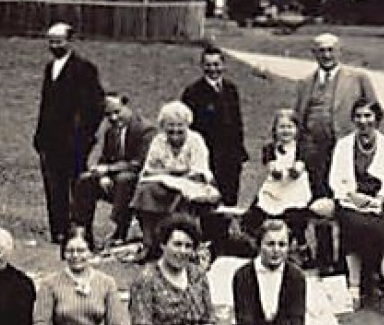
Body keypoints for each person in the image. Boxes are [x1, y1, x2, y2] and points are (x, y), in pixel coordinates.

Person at [292, 33, 381, 271]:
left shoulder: (358, 78)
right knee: (320, 203)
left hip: (346, 152)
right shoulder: (305, 83)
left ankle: (347, 260)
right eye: (321, 51)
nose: (326, 55)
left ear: (339, 51)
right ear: (314, 54)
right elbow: (298, 121)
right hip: (314, 154)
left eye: (331, 50)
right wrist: (299, 154)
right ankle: (324, 258)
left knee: (345, 201)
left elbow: (374, 113)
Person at [330, 102, 384, 325]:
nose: (363, 121)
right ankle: (354, 288)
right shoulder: (344, 146)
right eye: (358, 116)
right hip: (351, 201)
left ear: (377, 118)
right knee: (352, 227)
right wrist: (351, 195)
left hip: (380, 203)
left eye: (368, 116)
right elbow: (335, 179)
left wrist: (382, 199)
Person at [33, 22, 106, 244]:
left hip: (74, 142)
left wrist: (84, 136)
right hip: (50, 140)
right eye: (51, 41)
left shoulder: (84, 69)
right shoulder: (50, 68)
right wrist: (39, 136)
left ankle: (79, 230)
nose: (55, 45)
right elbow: (46, 105)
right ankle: (59, 230)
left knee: (78, 187)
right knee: (54, 187)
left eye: (59, 40)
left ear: (70, 41)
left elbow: (95, 106)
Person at [33, 227, 134, 325]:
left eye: (81, 251)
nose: (75, 256)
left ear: (91, 252)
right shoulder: (49, 284)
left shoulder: (106, 282)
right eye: (70, 251)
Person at [128, 100, 222, 254]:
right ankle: (149, 242)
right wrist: (172, 175)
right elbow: (150, 170)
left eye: (180, 128)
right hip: (164, 184)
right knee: (144, 190)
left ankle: (181, 240)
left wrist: (170, 174)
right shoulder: (158, 141)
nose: (175, 133)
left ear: (187, 125)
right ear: (164, 127)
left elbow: (198, 172)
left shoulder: (196, 141)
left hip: (195, 184)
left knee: (182, 196)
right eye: (170, 129)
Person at [70, 92, 155, 250]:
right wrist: (102, 175)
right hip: (115, 179)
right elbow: (105, 157)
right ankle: (83, 231)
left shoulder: (145, 129)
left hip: (138, 181)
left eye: (117, 112)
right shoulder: (111, 131)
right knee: (85, 180)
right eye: (108, 114)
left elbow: (138, 163)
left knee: (125, 179)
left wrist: (108, 169)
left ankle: (120, 230)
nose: (114, 118)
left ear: (126, 106)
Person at [240, 110, 332, 254]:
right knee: (253, 217)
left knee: (295, 218)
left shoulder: (302, 149)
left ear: (296, 130)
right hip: (275, 189)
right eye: (281, 127)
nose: (286, 131)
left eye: (290, 127)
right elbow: (272, 168)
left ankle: (301, 247)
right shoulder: (270, 148)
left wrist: (294, 169)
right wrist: (276, 170)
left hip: (294, 189)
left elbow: (298, 171)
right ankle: (262, 245)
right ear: (275, 130)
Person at [180, 45, 248, 207]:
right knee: (208, 197)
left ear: (223, 65)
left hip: (230, 155)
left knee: (230, 195)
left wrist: (240, 151)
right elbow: (188, 127)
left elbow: (237, 122)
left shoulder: (231, 89)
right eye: (208, 65)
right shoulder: (193, 92)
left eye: (216, 64)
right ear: (202, 66)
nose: (213, 69)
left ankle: (225, 231)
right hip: (208, 153)